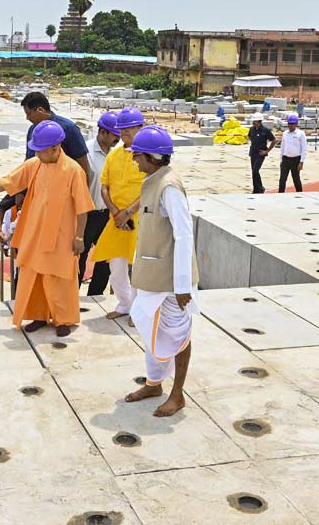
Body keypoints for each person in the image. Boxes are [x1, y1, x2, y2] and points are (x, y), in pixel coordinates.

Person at [0, 120, 93, 337]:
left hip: (62, 236)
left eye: (40, 150)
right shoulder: (34, 165)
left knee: (59, 278)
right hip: (35, 235)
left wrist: (79, 237)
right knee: (34, 277)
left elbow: (82, 208)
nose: (37, 154)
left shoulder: (73, 171)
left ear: (55, 147)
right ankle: (39, 316)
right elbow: (7, 182)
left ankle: (63, 320)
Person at [122, 126, 198, 418]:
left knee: (179, 334)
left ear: (153, 157)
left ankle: (177, 395)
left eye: (137, 156)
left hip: (170, 282)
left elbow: (183, 235)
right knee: (152, 330)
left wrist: (182, 286)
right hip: (152, 275)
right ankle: (154, 383)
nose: (134, 161)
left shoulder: (169, 187)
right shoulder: (154, 181)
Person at [92, 106, 147, 322]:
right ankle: (126, 304)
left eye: (128, 129)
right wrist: (116, 212)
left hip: (141, 219)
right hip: (115, 220)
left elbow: (149, 188)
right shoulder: (114, 156)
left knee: (141, 269)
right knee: (116, 267)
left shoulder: (147, 155)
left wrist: (129, 212)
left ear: (140, 128)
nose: (124, 134)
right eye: (121, 130)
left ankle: (140, 311)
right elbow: (104, 187)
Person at [82, 111, 121, 293]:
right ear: (103, 132)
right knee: (79, 258)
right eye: (115, 135)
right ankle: (72, 299)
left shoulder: (115, 155)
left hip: (106, 215)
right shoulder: (86, 152)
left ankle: (95, 295)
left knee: (105, 259)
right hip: (86, 215)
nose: (118, 139)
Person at [20, 92, 90, 172]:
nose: (27, 118)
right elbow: (28, 160)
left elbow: (82, 164)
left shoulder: (69, 129)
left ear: (40, 110)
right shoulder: (33, 130)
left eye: (29, 114)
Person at [247, 113, 276, 194]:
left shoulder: (265, 130)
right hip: (253, 153)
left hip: (261, 154)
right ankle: (256, 189)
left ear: (259, 121)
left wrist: (267, 151)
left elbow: (274, 140)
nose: (253, 123)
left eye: (255, 121)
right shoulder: (252, 129)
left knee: (256, 170)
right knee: (253, 171)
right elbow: (249, 136)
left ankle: (260, 188)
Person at [279, 115, 308, 193]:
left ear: (296, 124)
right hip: (285, 159)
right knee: (282, 179)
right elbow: (282, 147)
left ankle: (300, 193)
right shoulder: (285, 133)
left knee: (296, 178)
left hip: (296, 160)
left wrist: (301, 162)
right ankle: (280, 194)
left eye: (292, 124)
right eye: (289, 123)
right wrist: (281, 160)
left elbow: (304, 148)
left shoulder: (300, 134)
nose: (290, 125)